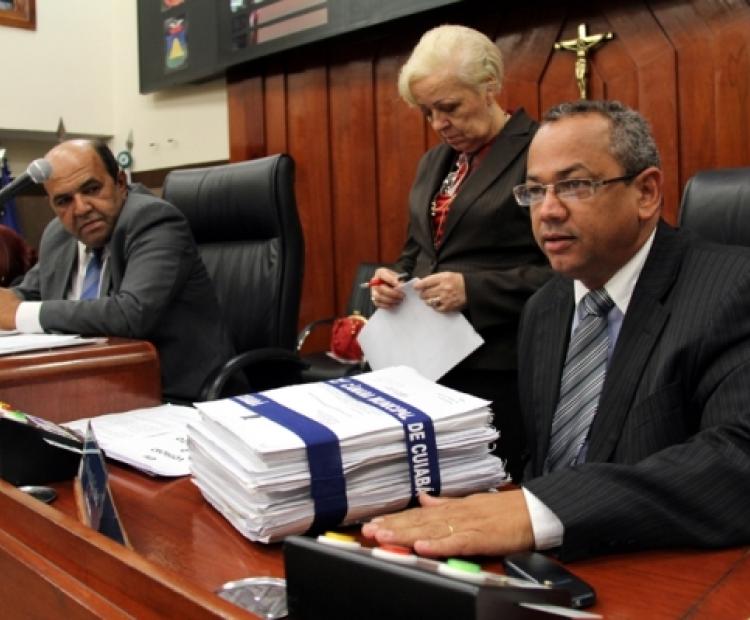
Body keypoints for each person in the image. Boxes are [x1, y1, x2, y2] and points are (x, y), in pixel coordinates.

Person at [362, 100, 750, 561]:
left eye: (574, 185)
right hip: (541, 566)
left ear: (646, 193)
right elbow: (543, 465)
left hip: (659, 568)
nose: (547, 211)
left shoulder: (731, 289)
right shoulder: (544, 308)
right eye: (533, 190)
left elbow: (735, 461)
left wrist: (539, 511)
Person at [370, 25, 550, 481]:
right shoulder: (434, 162)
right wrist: (393, 281)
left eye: (449, 107)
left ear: (490, 86)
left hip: (500, 368)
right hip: (424, 364)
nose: (438, 124)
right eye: (427, 112)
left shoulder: (541, 151)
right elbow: (417, 251)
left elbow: (570, 271)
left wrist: (475, 290)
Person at [0, 140, 236, 402]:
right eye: (64, 201)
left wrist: (19, 313)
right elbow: (26, 294)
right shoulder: (58, 235)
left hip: (173, 395)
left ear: (120, 182)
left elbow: (131, 314)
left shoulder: (154, 220)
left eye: (91, 189)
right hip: (87, 390)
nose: (81, 208)